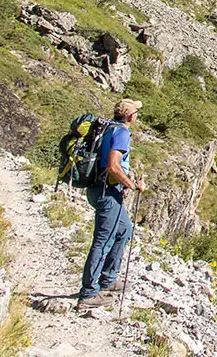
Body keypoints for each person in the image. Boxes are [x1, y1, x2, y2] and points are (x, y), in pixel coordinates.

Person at [76, 98, 146, 309]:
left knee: (124, 230)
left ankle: (107, 279)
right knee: (103, 241)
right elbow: (114, 166)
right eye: (136, 112)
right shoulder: (121, 133)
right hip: (107, 191)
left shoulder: (107, 128)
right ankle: (88, 293)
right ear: (131, 116)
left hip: (99, 189)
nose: (136, 115)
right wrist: (132, 185)